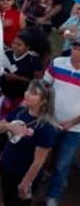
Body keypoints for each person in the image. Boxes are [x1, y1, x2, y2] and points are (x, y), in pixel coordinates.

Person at [0, 80, 57, 206]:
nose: (27, 94)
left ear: (44, 101)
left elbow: (38, 161)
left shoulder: (46, 127)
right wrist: (9, 126)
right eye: (28, 90)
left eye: (34, 93)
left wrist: (26, 183)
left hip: (24, 174)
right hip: (8, 168)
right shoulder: (20, 111)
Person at [43, 38, 80, 206]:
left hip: (76, 128)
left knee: (63, 164)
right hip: (51, 122)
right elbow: (45, 88)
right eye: (76, 47)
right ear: (71, 48)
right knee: (43, 156)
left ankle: (53, 196)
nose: (78, 52)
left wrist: (72, 122)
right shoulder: (57, 63)